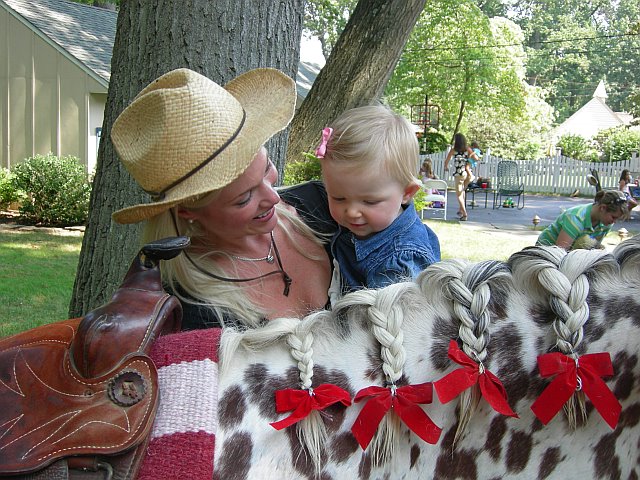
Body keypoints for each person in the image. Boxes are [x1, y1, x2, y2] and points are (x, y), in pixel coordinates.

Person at [110, 67, 337, 330]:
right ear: (187, 211)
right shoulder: (191, 308)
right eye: (244, 199)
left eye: (267, 169)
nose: (274, 198)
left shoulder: (327, 205)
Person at [315, 104, 441, 293]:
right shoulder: (366, 225)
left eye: (370, 202)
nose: (351, 212)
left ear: (407, 192)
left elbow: (391, 321)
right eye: (338, 198)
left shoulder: (401, 259)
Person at [536, 190, 628, 250]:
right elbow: (559, 252)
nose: (614, 222)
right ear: (603, 208)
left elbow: (592, 249)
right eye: (613, 217)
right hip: (546, 251)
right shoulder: (576, 217)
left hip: (573, 254)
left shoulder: (606, 224)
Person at [443, 133, 480, 221]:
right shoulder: (467, 149)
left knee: (459, 194)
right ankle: (460, 210)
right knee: (462, 191)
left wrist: (446, 167)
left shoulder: (453, 150)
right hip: (466, 174)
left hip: (458, 174)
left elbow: (446, 161)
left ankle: (464, 214)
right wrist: (469, 157)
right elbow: (476, 158)